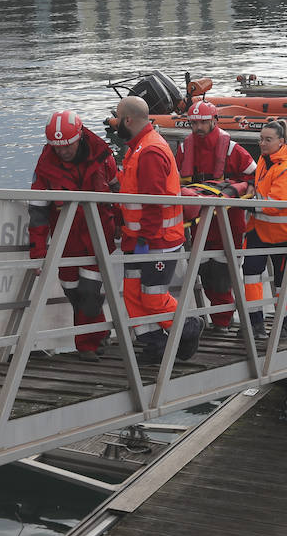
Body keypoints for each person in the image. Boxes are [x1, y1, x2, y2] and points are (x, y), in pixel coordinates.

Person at [113, 95, 201, 364]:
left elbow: (154, 202)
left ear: (128, 120)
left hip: (155, 240)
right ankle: (154, 344)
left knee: (152, 298)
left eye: (118, 117)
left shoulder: (149, 150)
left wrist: (144, 239)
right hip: (140, 239)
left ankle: (188, 327)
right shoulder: (139, 147)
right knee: (132, 295)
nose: (115, 122)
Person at [28, 111, 119, 361]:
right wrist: (37, 251)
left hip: (97, 236)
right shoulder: (45, 167)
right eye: (57, 147)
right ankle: (98, 332)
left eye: (67, 146)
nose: (63, 151)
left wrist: (126, 229)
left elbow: (118, 193)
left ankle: (86, 346)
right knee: (73, 292)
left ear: (79, 137)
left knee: (90, 292)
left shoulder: (103, 157)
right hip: (65, 240)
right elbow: (37, 211)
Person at [174, 101, 257, 330]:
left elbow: (254, 177)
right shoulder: (184, 148)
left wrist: (239, 189)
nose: (198, 127)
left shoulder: (232, 149)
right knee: (203, 270)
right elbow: (175, 181)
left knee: (222, 274)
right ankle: (219, 319)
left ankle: (223, 321)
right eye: (194, 123)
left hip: (228, 221)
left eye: (203, 122)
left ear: (214, 121)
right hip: (199, 221)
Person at [243, 119, 287, 340]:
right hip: (258, 230)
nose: (262, 143)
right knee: (250, 275)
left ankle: (284, 325)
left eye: (268, 140)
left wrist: (248, 202)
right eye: (260, 139)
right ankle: (255, 324)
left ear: (281, 141)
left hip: (283, 236)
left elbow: (276, 203)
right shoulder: (264, 161)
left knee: (283, 283)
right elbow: (262, 190)